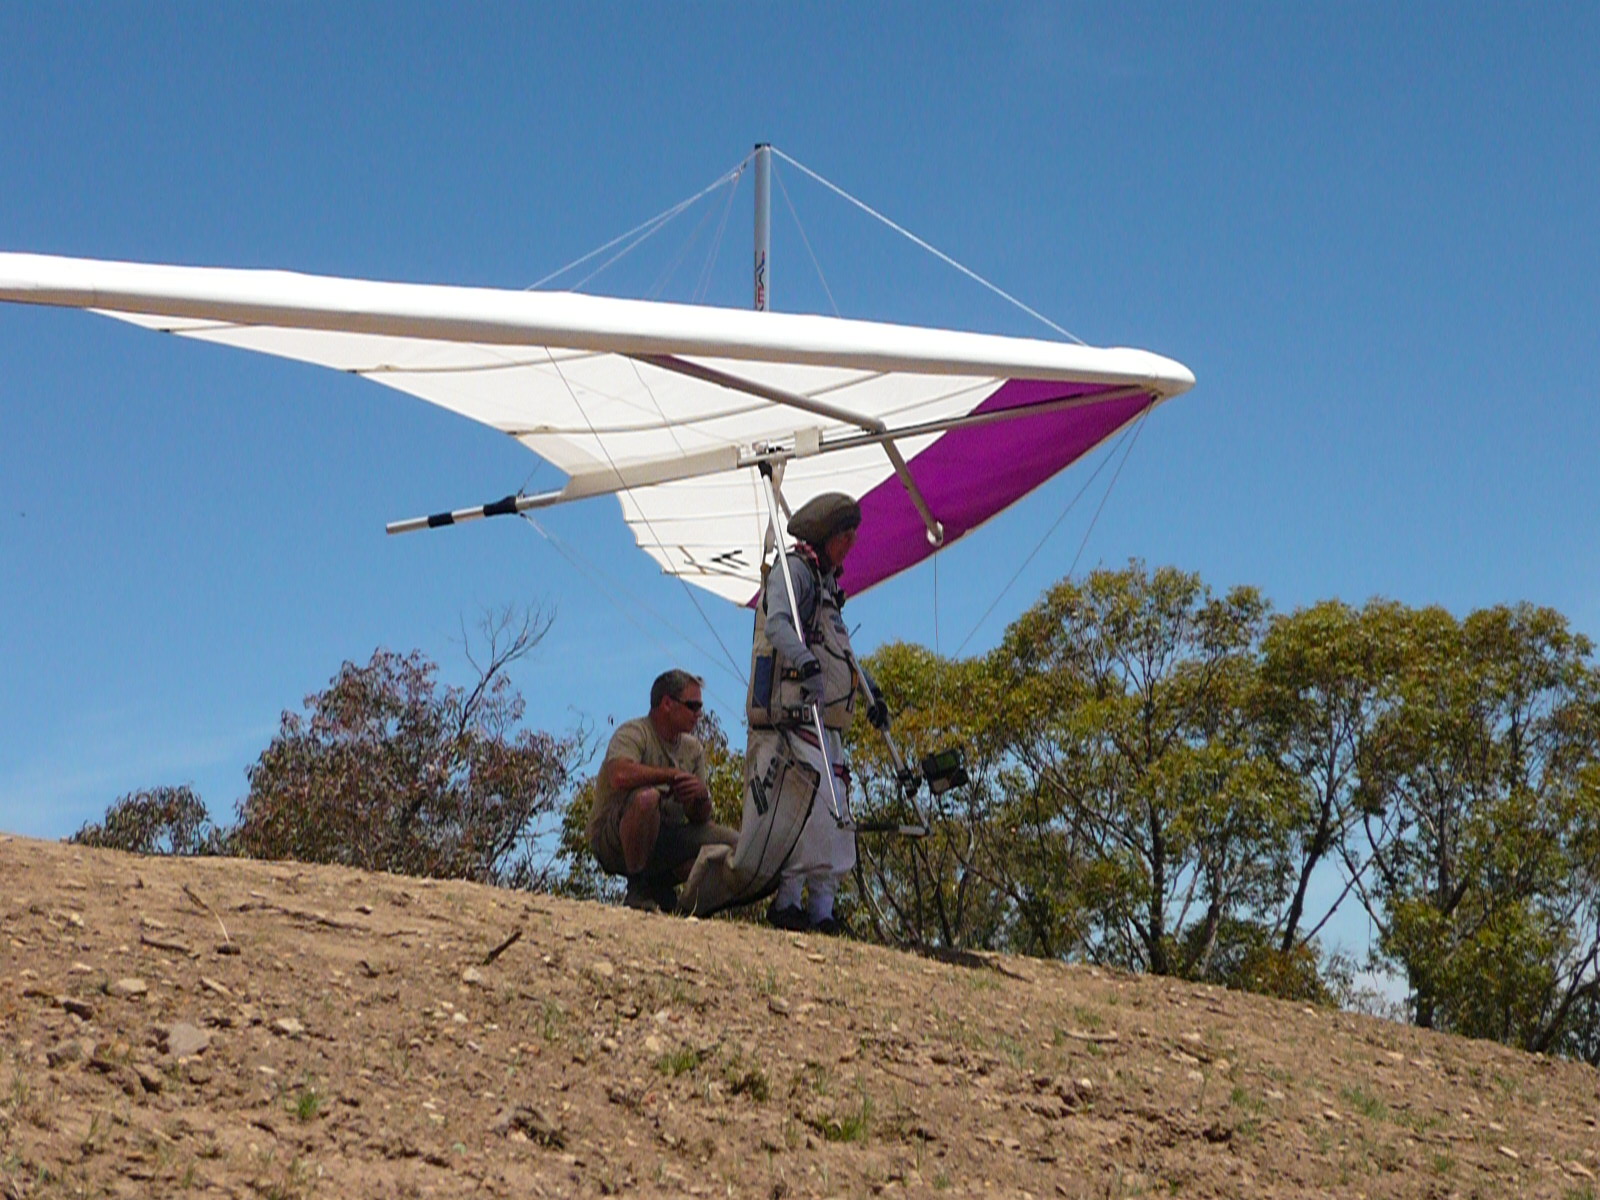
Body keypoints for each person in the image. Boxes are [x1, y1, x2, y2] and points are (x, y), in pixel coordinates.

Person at [745, 491, 886, 933]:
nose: (851, 545)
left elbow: (841, 648)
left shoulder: (826, 584)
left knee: (837, 814)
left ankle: (822, 912)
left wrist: (871, 693)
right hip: (797, 716)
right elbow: (778, 624)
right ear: (826, 536)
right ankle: (787, 905)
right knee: (809, 812)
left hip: (826, 721)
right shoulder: (796, 572)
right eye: (845, 537)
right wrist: (805, 663)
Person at [586, 669, 738, 912]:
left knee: (734, 846)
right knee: (647, 799)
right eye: (692, 706)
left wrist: (699, 797)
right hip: (614, 840)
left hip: (666, 838)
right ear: (667, 703)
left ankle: (674, 896)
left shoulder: (693, 749)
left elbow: (699, 819)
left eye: (700, 707)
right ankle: (639, 887)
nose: (698, 714)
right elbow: (619, 775)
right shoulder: (634, 732)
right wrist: (670, 775)